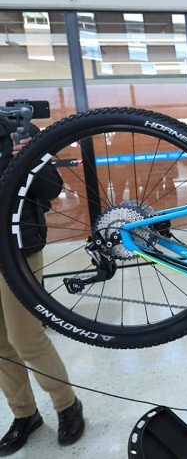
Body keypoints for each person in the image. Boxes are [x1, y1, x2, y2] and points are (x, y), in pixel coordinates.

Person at [0, 124, 85, 454]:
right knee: (0, 343)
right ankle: (25, 414)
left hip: (17, 250)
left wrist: (28, 158)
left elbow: (51, 189)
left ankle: (67, 406)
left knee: (26, 338)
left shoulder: (17, 128)